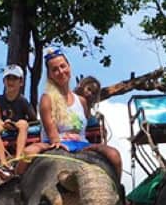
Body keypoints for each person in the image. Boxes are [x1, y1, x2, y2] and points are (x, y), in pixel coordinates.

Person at [23, 49, 122, 178]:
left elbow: (82, 130)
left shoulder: (81, 101)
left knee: (114, 155)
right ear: (50, 75)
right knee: (27, 153)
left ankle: (118, 191)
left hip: (82, 144)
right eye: (55, 69)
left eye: (63, 66)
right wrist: (61, 144)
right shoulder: (47, 99)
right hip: (55, 144)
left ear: (69, 67)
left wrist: (84, 145)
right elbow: (53, 136)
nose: (60, 71)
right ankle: (16, 183)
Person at [0, 64, 37, 169]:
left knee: (23, 124)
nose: (11, 81)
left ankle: (18, 157)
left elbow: (33, 119)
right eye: (8, 78)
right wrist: (4, 124)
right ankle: (3, 162)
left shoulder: (23, 101)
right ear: (4, 81)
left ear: (21, 82)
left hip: (18, 126)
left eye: (14, 78)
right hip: (3, 125)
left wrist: (17, 123)